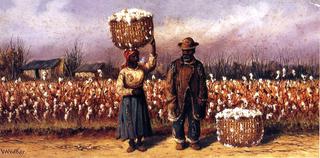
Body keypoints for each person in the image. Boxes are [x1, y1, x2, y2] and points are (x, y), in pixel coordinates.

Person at [165, 37, 208, 150]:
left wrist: (202, 98)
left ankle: (193, 140)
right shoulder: (174, 65)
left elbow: (202, 84)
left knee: (194, 119)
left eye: (188, 50)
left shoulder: (199, 66)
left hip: (194, 98)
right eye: (184, 51)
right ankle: (180, 140)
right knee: (178, 119)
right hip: (179, 98)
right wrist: (171, 100)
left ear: (193, 51)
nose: (186, 53)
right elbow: (169, 84)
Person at [116, 38, 157, 153]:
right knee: (129, 119)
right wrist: (131, 92)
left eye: (136, 56)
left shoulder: (142, 68)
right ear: (128, 58)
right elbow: (119, 88)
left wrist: (153, 48)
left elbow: (151, 65)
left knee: (139, 119)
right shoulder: (123, 72)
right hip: (128, 100)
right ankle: (131, 143)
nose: (136, 58)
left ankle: (139, 142)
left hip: (139, 98)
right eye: (134, 56)